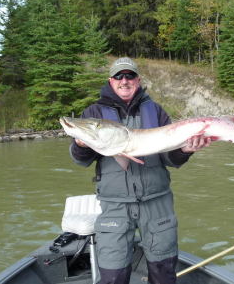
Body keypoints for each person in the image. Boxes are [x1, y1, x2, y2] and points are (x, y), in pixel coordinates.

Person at [68, 57, 210, 284]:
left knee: (164, 273)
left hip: (157, 203)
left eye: (130, 75)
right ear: (111, 81)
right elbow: (81, 160)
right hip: (115, 206)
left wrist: (186, 150)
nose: (124, 81)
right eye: (119, 76)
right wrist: (80, 144)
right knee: (113, 276)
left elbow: (170, 158)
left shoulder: (155, 111)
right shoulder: (93, 113)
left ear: (138, 79)